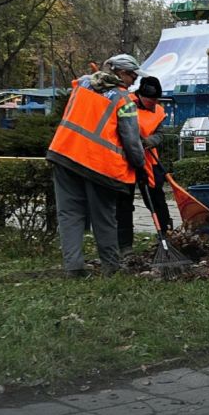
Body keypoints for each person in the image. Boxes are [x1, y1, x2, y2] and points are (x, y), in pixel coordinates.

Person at [47, 54, 148, 278]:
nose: (134, 81)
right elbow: (131, 141)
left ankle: (73, 267)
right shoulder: (124, 101)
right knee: (103, 217)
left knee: (69, 214)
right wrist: (140, 164)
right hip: (98, 165)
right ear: (120, 73)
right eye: (132, 75)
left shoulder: (82, 84)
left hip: (64, 154)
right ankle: (111, 267)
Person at [116, 76, 171, 256]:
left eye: (157, 100)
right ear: (140, 96)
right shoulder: (125, 104)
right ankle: (125, 246)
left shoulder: (159, 112)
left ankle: (166, 235)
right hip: (124, 163)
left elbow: (161, 134)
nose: (154, 104)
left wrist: (149, 141)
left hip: (150, 161)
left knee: (157, 201)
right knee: (124, 204)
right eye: (151, 100)